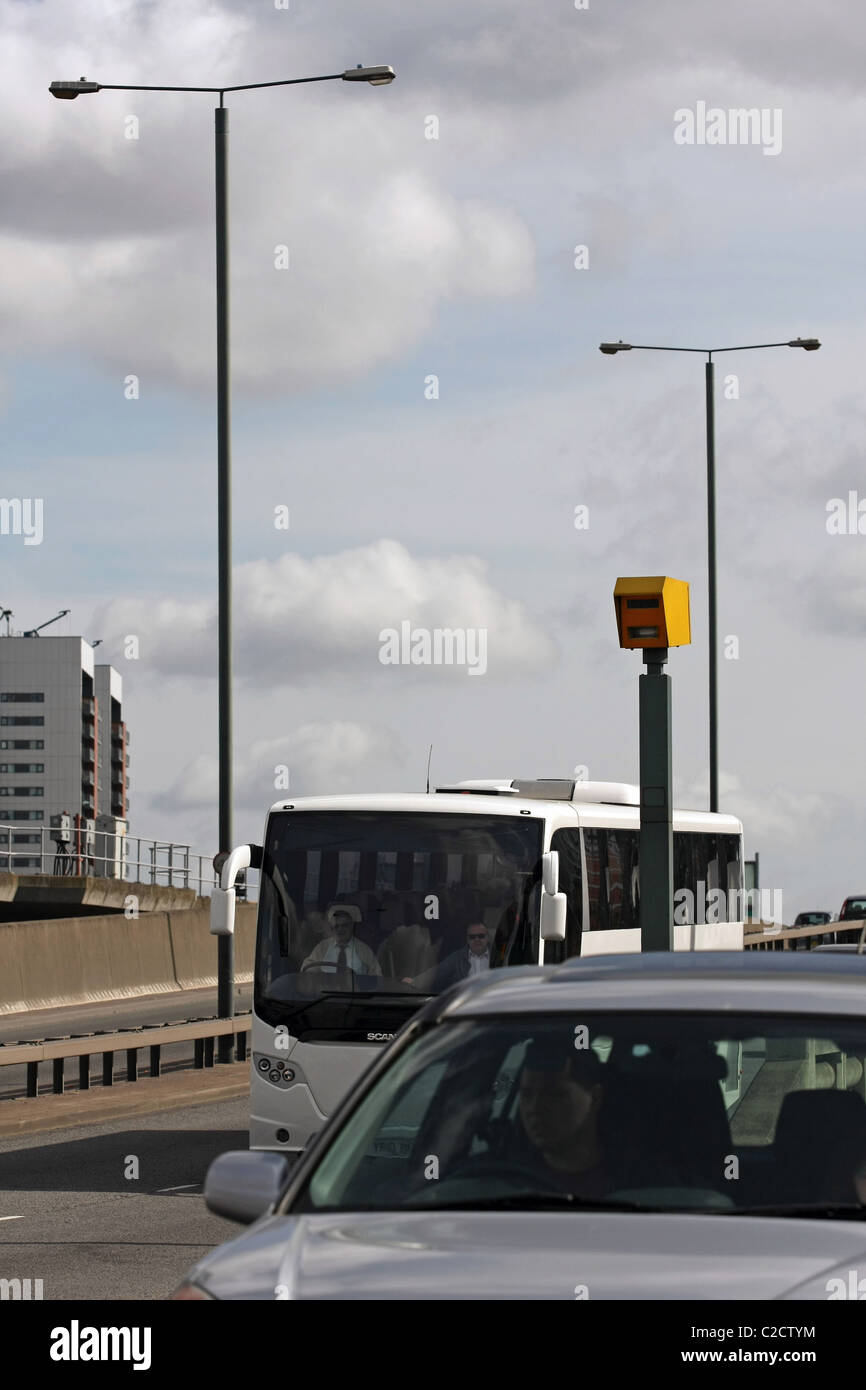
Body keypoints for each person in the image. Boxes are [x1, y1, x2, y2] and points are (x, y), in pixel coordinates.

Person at [516, 1040, 609, 1196]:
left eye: (554, 1095)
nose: (534, 1108)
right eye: (526, 1095)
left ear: (595, 1098)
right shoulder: (504, 1177)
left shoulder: (637, 1183)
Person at [300, 904, 381, 976]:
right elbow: (307, 969)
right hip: (325, 992)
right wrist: (316, 974)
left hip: (355, 992)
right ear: (332, 928)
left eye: (344, 925)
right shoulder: (322, 947)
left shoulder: (364, 950)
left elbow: (376, 977)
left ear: (352, 926)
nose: (340, 929)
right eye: (336, 926)